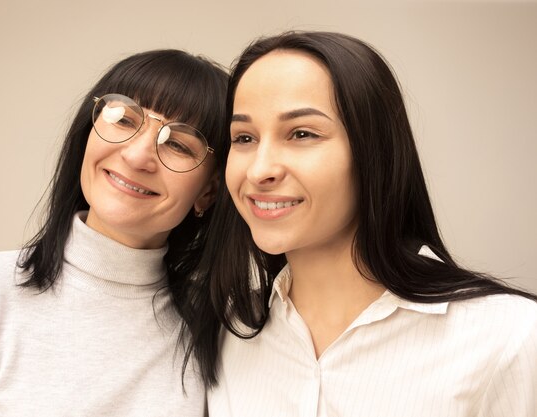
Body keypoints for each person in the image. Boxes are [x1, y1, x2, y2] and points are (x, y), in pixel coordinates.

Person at [186, 32, 537, 416]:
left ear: (374, 152)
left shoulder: (509, 337)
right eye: (245, 137)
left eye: (302, 133)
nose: (260, 170)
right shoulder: (226, 330)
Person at [0, 49, 227, 416]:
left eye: (177, 144)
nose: (137, 156)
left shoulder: (217, 332)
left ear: (209, 190)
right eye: (124, 120)